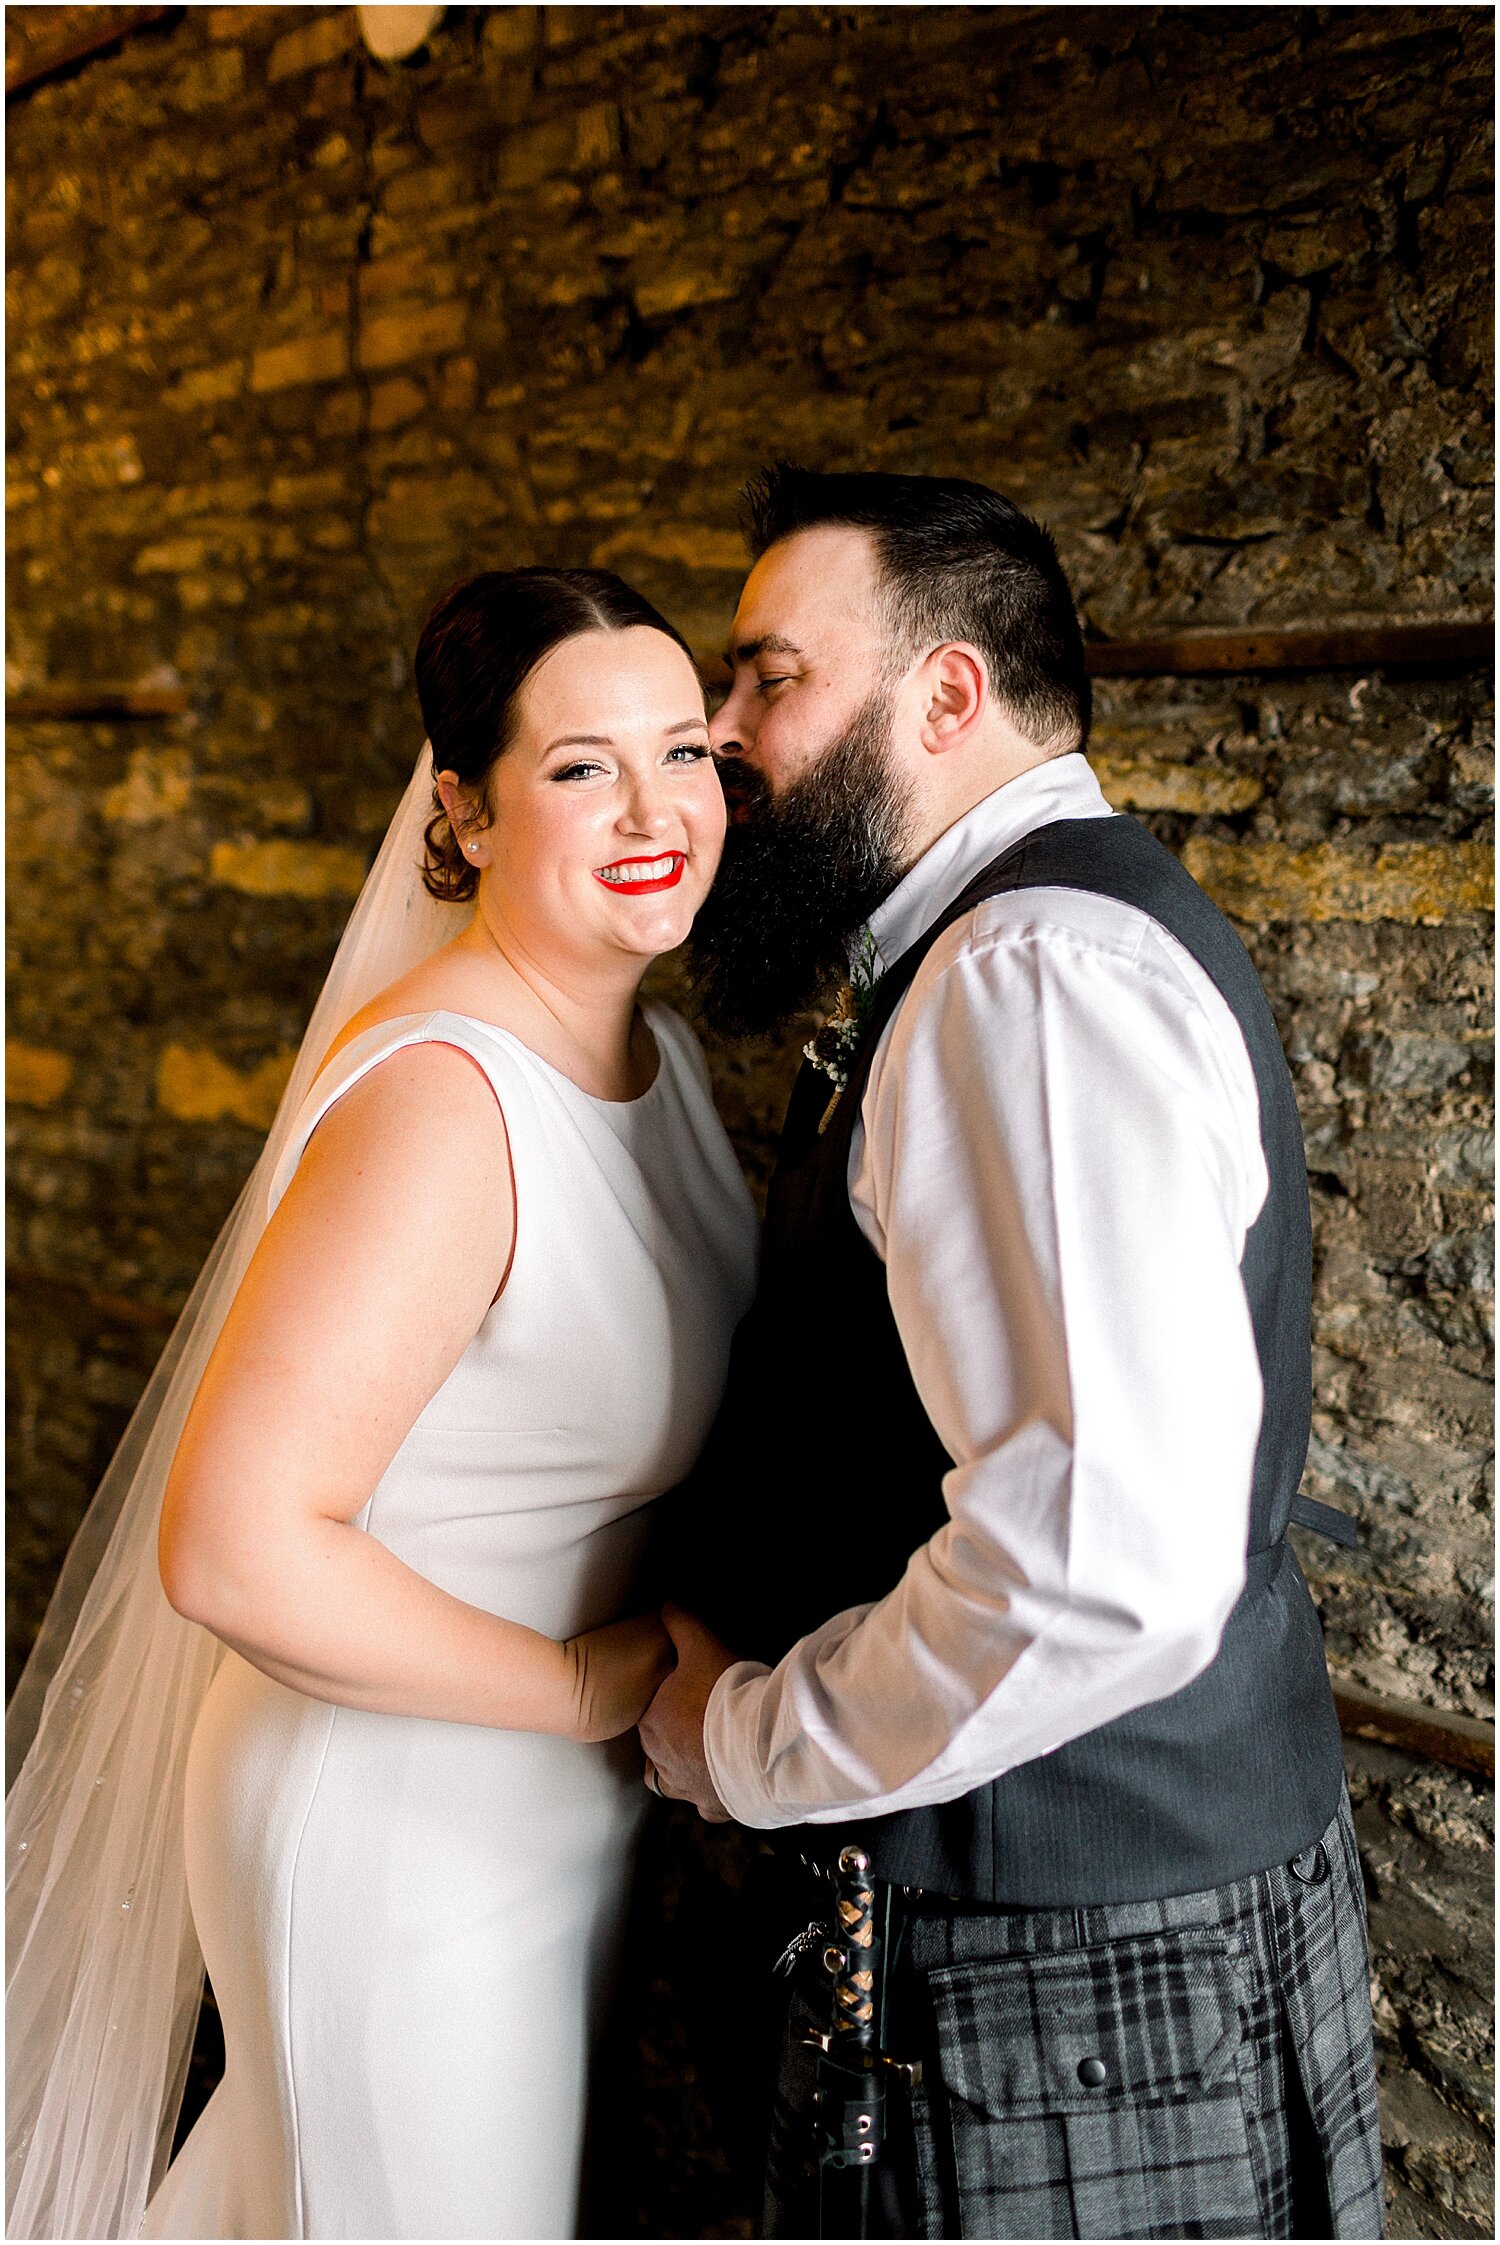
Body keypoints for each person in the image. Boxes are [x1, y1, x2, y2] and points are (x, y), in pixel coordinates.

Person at [639, 466, 1386, 2240]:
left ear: (948, 693)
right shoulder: (999, 954)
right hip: (1108, 1948)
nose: (721, 736)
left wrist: (743, 1742)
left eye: (768, 679)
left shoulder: (1023, 980)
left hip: (1064, 1989)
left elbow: (1094, 1567)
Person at [6, 568, 757, 2241]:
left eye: (686, 751)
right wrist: (582, 1682)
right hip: (394, 1822)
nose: (656, 810)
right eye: (579, 768)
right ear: (463, 813)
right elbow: (234, 1549)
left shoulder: (661, 1064)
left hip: (540, 1814)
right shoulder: (445, 1098)